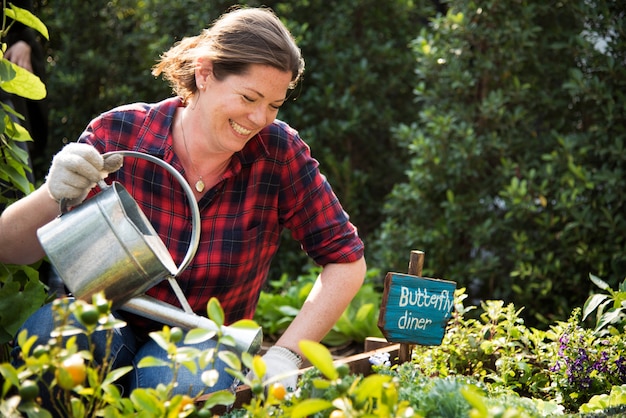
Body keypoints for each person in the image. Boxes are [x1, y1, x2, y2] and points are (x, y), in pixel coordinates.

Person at [2, 6, 366, 402]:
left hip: (205, 337)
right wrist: (54, 192)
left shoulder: (278, 153)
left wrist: (285, 355)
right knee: (49, 341)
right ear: (205, 73)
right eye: (249, 97)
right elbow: (9, 247)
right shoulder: (121, 133)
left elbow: (345, 261)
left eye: (275, 105)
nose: (260, 117)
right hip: (103, 316)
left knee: (188, 386)